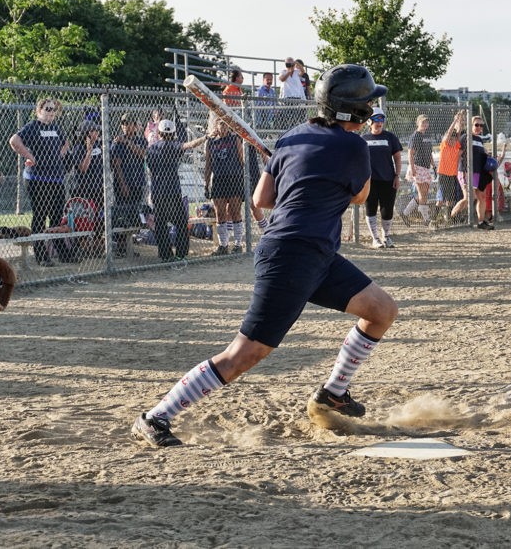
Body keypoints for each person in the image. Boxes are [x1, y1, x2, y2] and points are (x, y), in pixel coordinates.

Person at [131, 63, 397, 448]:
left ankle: (333, 392)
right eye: (367, 102)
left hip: (315, 252)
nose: (371, 107)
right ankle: (156, 417)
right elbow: (358, 197)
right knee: (246, 353)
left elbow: (261, 200)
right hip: (293, 254)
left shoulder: (291, 138)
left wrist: (301, 171)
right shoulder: (353, 145)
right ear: (352, 109)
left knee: (381, 310)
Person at [9, 97, 71, 266]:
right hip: (37, 178)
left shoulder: (56, 128)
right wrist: (29, 156)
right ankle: (42, 256)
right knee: (41, 215)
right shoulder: (33, 127)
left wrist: (59, 156)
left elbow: (65, 143)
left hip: (56, 178)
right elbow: (14, 140)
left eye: (53, 110)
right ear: (39, 111)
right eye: (47, 109)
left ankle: (62, 253)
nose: (51, 112)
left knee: (57, 216)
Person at [144, 119, 206, 262]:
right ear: (172, 134)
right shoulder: (174, 146)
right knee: (181, 222)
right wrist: (205, 137)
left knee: (160, 223)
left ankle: (165, 255)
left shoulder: (152, 149)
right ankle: (181, 253)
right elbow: (189, 145)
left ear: (159, 133)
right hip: (172, 190)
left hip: (158, 190)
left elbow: (149, 167)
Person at [204, 114, 247, 255]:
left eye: (225, 124)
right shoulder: (211, 142)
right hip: (218, 179)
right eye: (220, 124)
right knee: (220, 213)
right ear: (216, 126)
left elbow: (242, 160)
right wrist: (206, 183)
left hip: (234, 178)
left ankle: (238, 244)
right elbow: (208, 165)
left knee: (235, 212)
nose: (223, 127)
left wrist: (243, 180)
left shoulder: (235, 139)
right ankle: (223, 245)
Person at [361, 106, 403, 248]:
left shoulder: (390, 137)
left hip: (388, 180)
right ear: (369, 122)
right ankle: (375, 238)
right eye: (376, 120)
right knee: (370, 209)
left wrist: (397, 176)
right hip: (369, 181)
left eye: (381, 119)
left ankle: (386, 236)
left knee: (387, 210)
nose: (379, 123)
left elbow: (397, 158)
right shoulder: (363, 139)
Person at [111, 113, 149, 257]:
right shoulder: (117, 142)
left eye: (129, 123)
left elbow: (142, 154)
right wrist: (123, 184)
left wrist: (128, 142)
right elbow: (117, 165)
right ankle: (121, 248)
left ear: (135, 125)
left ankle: (128, 247)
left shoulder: (140, 140)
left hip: (138, 182)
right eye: (124, 124)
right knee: (122, 216)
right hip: (124, 184)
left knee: (134, 215)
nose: (126, 126)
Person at [460, 116, 500, 230]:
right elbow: (459, 155)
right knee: (469, 197)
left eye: (481, 125)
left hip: (478, 171)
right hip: (467, 170)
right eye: (476, 125)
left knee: (481, 197)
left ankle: (481, 222)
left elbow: (481, 154)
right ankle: (454, 218)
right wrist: (462, 171)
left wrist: (489, 157)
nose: (479, 127)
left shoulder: (479, 139)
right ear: (471, 125)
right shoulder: (466, 137)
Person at [399, 115, 435, 225]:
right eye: (422, 122)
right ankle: (426, 219)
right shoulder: (415, 136)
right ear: (418, 123)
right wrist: (413, 168)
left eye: (426, 122)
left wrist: (434, 166)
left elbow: (430, 153)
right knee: (421, 193)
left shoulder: (427, 136)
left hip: (426, 168)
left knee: (424, 193)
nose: (425, 125)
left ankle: (405, 213)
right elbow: (410, 153)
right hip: (417, 166)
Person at [435, 110, 466, 226]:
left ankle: (450, 220)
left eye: (454, 139)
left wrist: (460, 120)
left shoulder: (456, 146)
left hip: (452, 175)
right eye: (451, 139)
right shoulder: (445, 145)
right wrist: (454, 121)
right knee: (441, 199)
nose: (452, 140)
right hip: (443, 174)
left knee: (451, 199)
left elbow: (457, 133)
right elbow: (449, 133)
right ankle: (434, 219)